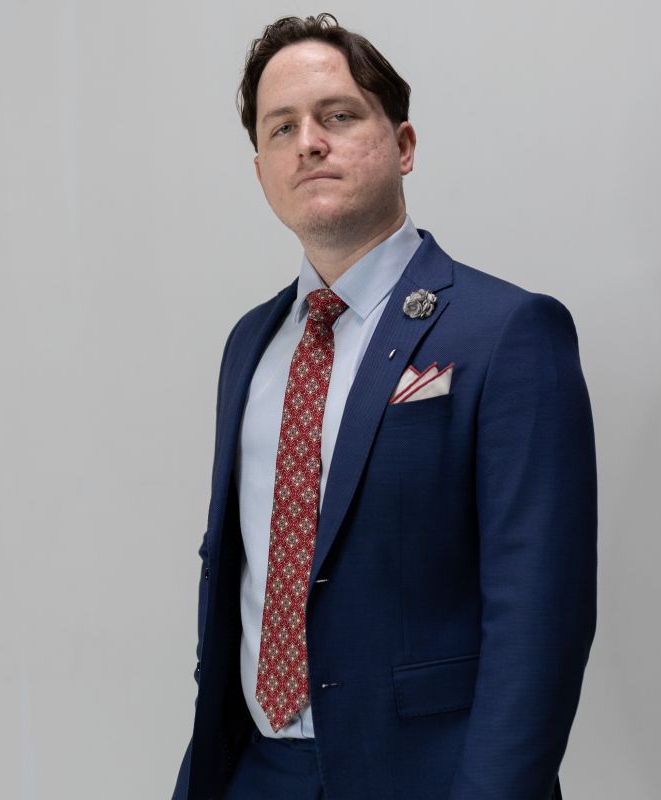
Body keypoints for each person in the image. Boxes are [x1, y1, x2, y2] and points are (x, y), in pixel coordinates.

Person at [173, 12, 597, 800]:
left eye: (337, 115)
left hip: (427, 778)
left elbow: (540, 620)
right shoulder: (250, 346)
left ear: (402, 145)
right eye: (281, 128)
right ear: (261, 169)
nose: (309, 142)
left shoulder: (507, 332)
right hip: (253, 772)